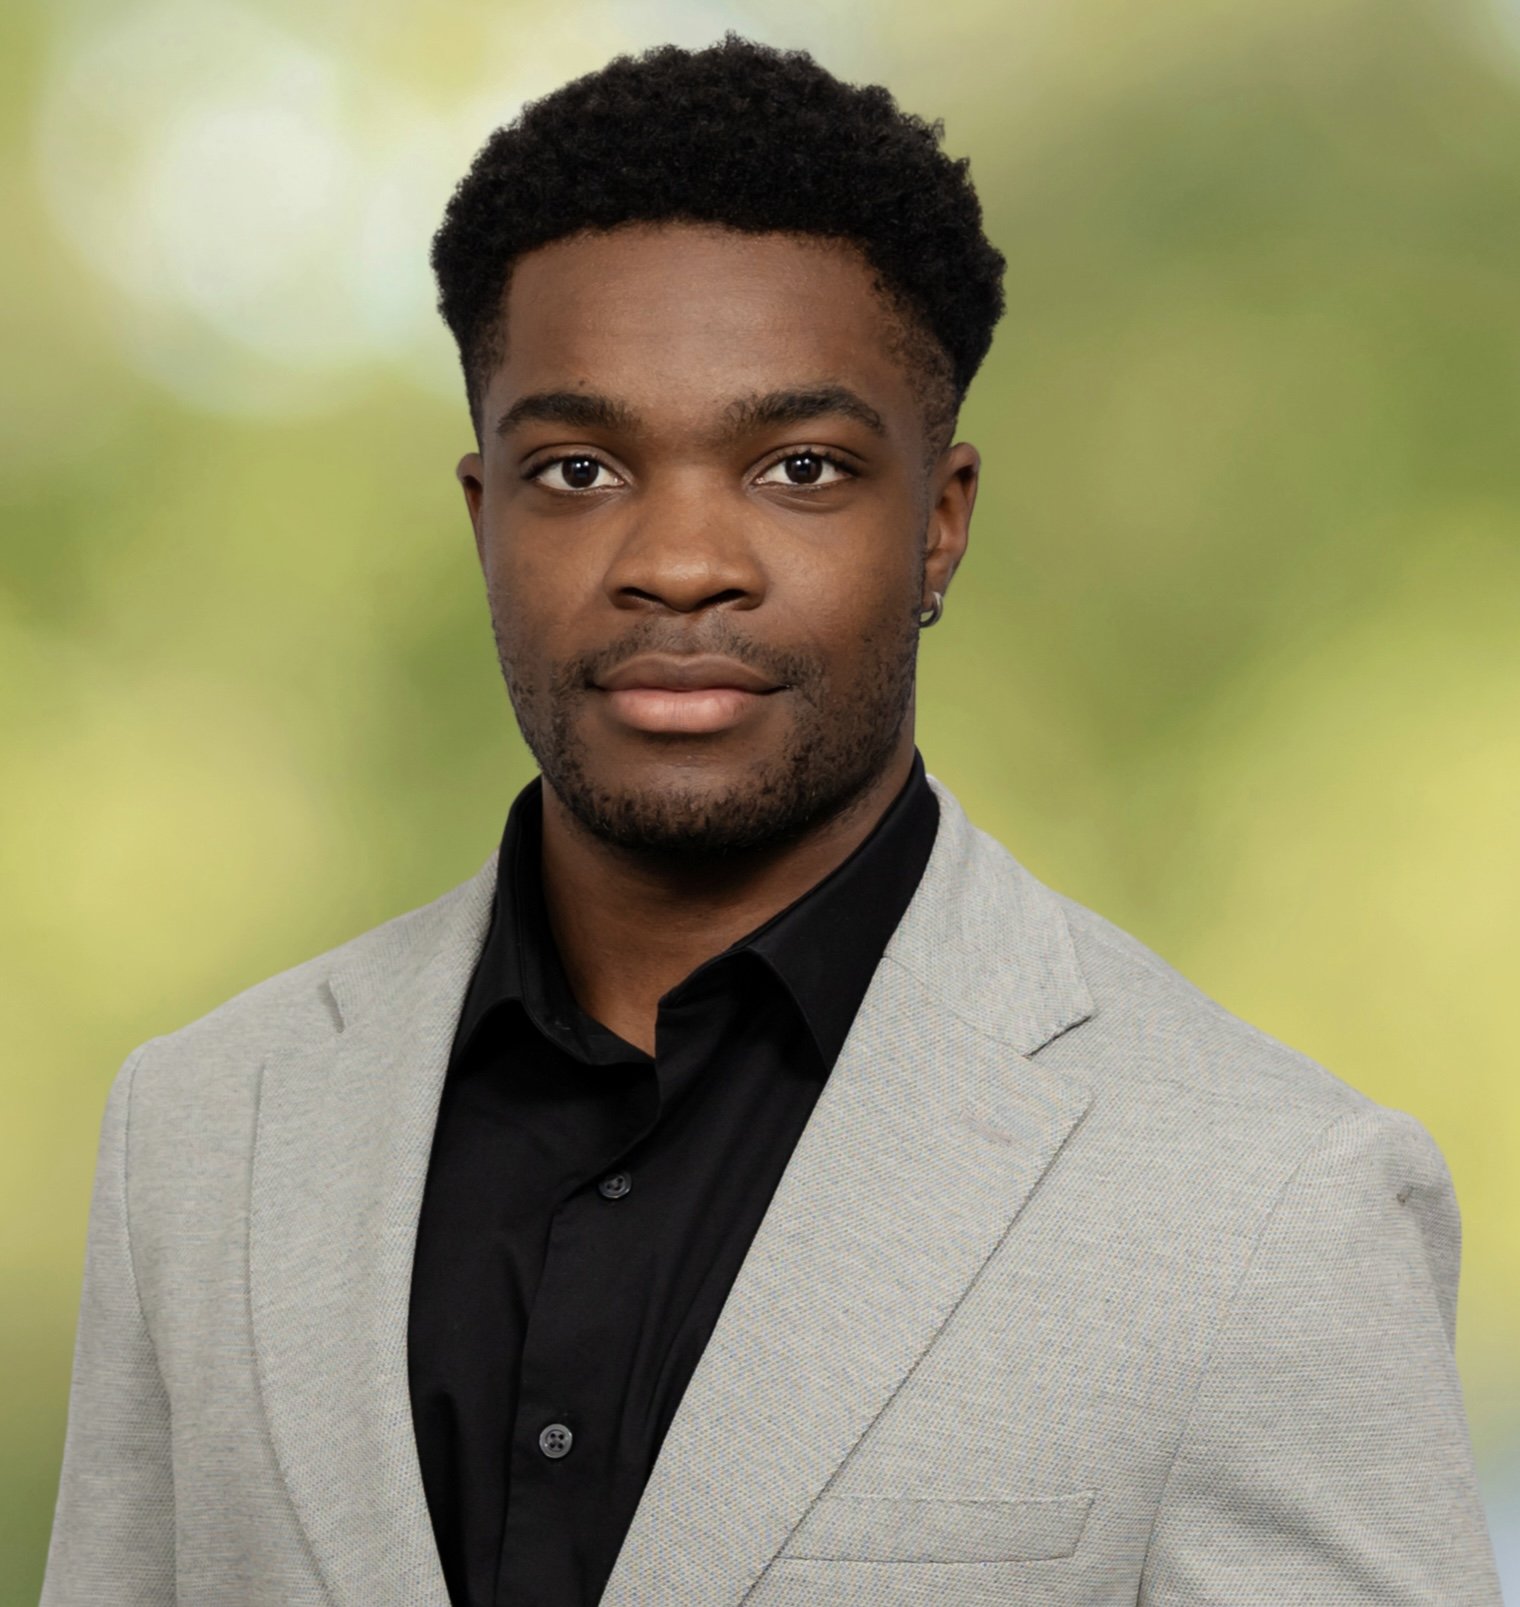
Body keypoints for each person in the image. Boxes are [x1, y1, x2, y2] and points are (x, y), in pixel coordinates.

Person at [41, 36, 1501, 1607]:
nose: (680, 560)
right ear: (484, 517)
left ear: (940, 525)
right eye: (581, 466)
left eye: (798, 467)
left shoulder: (1266, 1204)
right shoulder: (204, 1135)